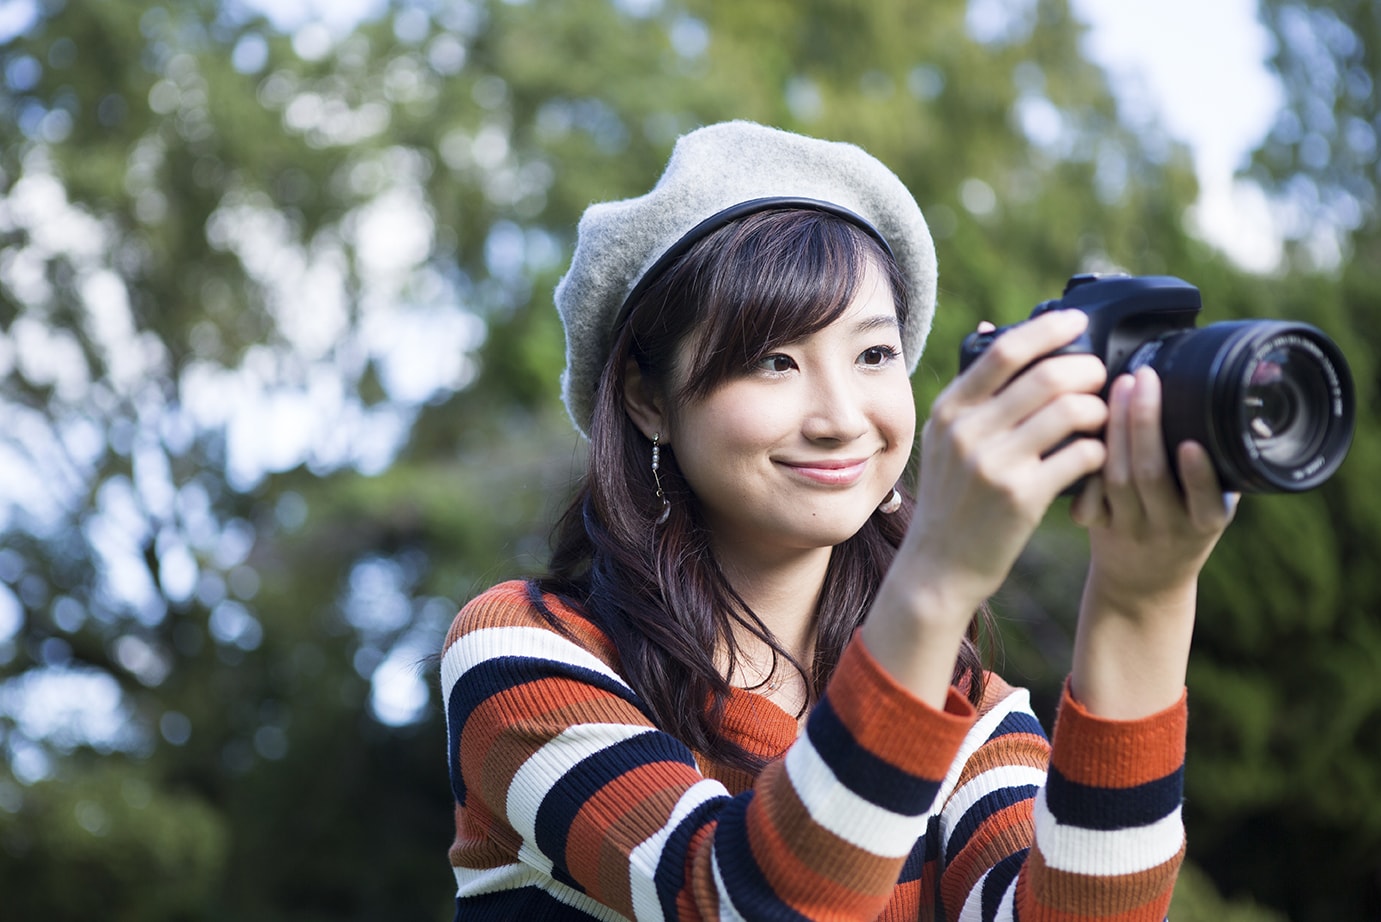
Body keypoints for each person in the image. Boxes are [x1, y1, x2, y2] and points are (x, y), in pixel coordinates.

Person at [439, 121, 1235, 921]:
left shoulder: (969, 711)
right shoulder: (524, 649)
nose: (842, 418)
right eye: (772, 361)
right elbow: (738, 898)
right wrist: (940, 570)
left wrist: (1146, 595)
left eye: (874, 355)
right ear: (651, 400)